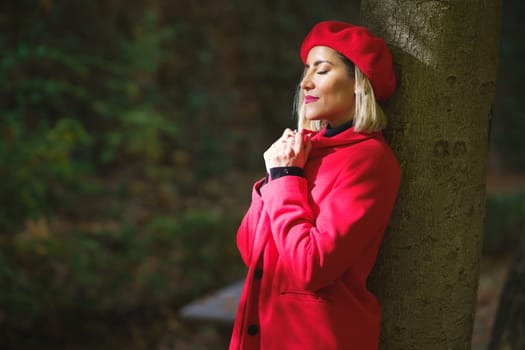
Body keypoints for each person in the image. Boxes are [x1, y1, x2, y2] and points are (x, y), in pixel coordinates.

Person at [229, 20, 400, 350]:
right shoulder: (304, 153)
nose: (305, 83)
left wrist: (284, 180)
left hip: (316, 339)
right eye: (306, 71)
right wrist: (275, 175)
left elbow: (310, 268)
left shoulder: (368, 160)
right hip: (263, 332)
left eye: (321, 71)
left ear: (358, 83)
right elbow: (252, 252)